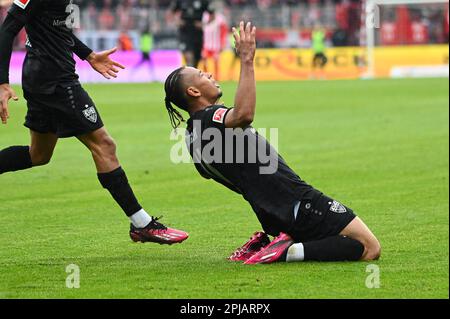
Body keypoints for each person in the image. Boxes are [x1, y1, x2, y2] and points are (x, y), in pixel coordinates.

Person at [163, 22, 381, 265]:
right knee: (368, 247)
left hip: (270, 212)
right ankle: (284, 251)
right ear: (193, 91)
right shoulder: (209, 118)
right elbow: (243, 115)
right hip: (296, 200)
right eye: (202, 75)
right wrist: (246, 59)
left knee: (343, 242)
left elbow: (220, 174)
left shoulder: (192, 136)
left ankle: (270, 242)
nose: (210, 75)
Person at [0, 0, 188, 245]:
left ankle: (141, 225)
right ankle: (141, 224)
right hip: (56, 81)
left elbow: (60, 31)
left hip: (42, 79)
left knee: (39, 155)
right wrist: (2, 82)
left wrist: (88, 55)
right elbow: (7, 30)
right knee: (104, 145)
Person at [171, 0, 212, 68]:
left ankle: (192, 72)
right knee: (189, 54)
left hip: (197, 33)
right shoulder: (180, 1)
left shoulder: (204, 1)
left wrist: (203, 24)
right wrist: (177, 21)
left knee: (197, 58)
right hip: (185, 31)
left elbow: (212, 14)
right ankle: (190, 70)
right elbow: (171, 12)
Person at [200, 10, 228, 81]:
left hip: (216, 46)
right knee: (204, 59)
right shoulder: (204, 17)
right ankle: (206, 76)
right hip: (206, 45)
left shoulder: (220, 19)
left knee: (216, 61)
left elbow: (224, 30)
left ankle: (217, 78)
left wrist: (223, 43)